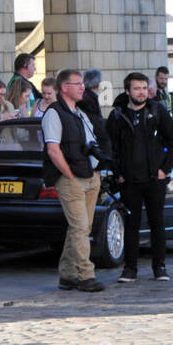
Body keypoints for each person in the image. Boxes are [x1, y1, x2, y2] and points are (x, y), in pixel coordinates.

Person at [43, 69, 110, 292]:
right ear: (64, 87)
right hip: (71, 178)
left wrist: (97, 170)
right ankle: (85, 275)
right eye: (77, 83)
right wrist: (69, 175)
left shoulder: (79, 113)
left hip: (90, 175)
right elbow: (53, 149)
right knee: (80, 227)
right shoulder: (54, 113)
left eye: (82, 83)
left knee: (82, 228)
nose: (83, 87)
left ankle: (67, 273)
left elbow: (92, 143)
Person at [107, 72, 173, 283]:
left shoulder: (157, 111)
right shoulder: (118, 115)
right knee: (131, 224)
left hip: (154, 178)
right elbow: (110, 147)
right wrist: (117, 173)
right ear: (128, 91)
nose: (141, 92)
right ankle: (130, 269)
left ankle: (160, 267)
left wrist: (165, 169)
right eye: (137, 88)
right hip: (129, 180)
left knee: (157, 222)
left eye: (144, 88)